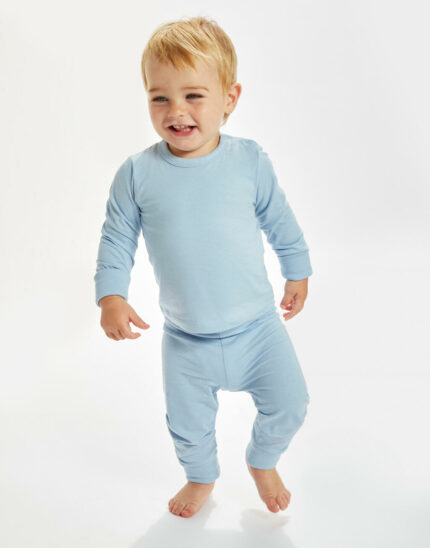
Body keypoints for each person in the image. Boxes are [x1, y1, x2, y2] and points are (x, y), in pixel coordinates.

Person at [94, 16, 313, 519]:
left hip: (258, 329)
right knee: (187, 426)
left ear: (229, 99)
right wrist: (111, 294)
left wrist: (297, 270)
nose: (176, 111)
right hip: (186, 340)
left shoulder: (248, 161)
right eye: (160, 98)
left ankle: (262, 460)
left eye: (193, 95)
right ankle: (200, 475)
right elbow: (116, 238)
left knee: (291, 402)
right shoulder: (138, 173)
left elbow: (279, 219)